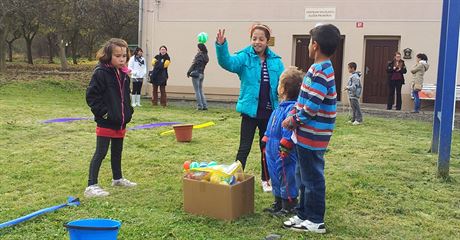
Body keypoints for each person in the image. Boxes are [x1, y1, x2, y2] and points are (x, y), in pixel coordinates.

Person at [281, 24, 341, 234]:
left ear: (315, 45)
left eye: (309, 42)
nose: (308, 46)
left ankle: (316, 220)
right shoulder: (316, 69)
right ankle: (303, 214)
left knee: (313, 178)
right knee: (302, 175)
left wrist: (294, 120)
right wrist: (293, 114)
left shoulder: (322, 71)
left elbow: (312, 106)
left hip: (313, 135)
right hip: (304, 135)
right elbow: (303, 99)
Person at [215, 23, 285, 192]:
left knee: (266, 147)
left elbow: (283, 83)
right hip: (249, 112)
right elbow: (228, 63)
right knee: (244, 147)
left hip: (269, 113)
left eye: (261, 39)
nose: (257, 42)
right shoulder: (244, 57)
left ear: (267, 41)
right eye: (254, 38)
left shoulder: (276, 61)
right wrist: (221, 46)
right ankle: (236, 178)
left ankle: (266, 180)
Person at [85, 38, 137, 198]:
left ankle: (117, 178)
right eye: (117, 56)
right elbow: (91, 97)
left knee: (117, 151)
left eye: (124, 56)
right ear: (108, 55)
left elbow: (125, 97)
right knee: (101, 152)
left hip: (120, 122)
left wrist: (128, 112)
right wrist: (105, 113)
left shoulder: (123, 74)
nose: (122, 59)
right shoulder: (100, 73)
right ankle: (91, 185)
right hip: (106, 121)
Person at [262, 66, 303, 216]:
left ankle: (289, 203)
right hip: (272, 148)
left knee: (286, 174)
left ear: (283, 88)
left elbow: (289, 129)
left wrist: (286, 143)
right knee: (275, 174)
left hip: (283, 150)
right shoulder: (279, 108)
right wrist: (266, 137)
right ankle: (278, 201)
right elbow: (272, 124)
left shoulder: (292, 109)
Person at [187, 43, 209, 110]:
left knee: (197, 91)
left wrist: (189, 72)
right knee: (200, 90)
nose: (197, 49)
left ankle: (200, 106)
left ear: (200, 48)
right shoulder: (206, 56)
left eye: (198, 48)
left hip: (196, 74)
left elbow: (194, 65)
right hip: (202, 74)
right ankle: (204, 106)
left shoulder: (199, 55)